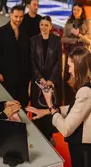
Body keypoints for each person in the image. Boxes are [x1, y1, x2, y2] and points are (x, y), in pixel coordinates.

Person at [27, 47, 91, 167]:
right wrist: (47, 111)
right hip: (90, 149)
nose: (68, 70)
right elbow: (76, 108)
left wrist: (50, 104)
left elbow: (66, 128)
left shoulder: (86, 91)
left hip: (85, 151)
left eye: (70, 66)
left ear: (79, 66)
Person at [0, 5, 31, 108]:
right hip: (6, 79)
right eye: (16, 16)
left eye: (21, 17)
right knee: (8, 109)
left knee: (22, 108)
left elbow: (29, 55)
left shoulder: (26, 32)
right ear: (11, 15)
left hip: (22, 81)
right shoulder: (0, 33)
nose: (18, 19)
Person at [30, 16, 62, 145]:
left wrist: (50, 80)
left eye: (46, 25)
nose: (43, 27)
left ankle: (49, 136)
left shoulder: (56, 40)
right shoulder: (33, 40)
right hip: (38, 81)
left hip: (51, 81)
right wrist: (40, 78)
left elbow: (58, 62)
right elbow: (32, 61)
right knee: (37, 108)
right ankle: (38, 134)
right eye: (41, 25)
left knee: (50, 107)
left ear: (51, 26)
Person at [62, 2, 91, 105]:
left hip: (82, 55)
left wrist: (79, 35)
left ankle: (81, 103)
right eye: (74, 10)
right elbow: (63, 38)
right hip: (70, 53)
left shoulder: (86, 22)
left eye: (78, 10)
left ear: (82, 11)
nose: (75, 12)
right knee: (69, 78)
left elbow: (89, 41)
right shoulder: (69, 21)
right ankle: (68, 102)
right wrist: (74, 40)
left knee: (81, 79)